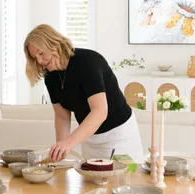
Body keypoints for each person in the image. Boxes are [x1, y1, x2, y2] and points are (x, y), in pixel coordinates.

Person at [24, 24, 143, 162]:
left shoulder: (88, 62)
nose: (39, 61)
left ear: (54, 44)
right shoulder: (50, 77)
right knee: (93, 182)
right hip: (89, 138)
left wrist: (69, 143)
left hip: (119, 136)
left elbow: (100, 111)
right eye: (34, 57)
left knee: (127, 179)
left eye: (41, 53)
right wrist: (61, 151)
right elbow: (62, 116)